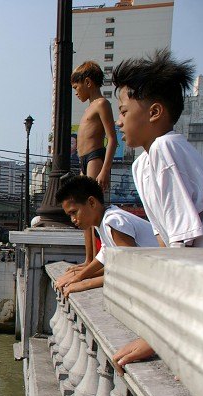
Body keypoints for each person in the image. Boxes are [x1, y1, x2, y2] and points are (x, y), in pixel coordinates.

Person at [109, 49, 203, 370]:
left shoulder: (166, 148)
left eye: (124, 110)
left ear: (154, 112)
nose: (119, 120)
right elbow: (163, 244)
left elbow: (184, 248)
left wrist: (160, 333)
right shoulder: (143, 163)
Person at [53, 176, 158, 296]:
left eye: (74, 212)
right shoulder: (102, 222)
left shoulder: (113, 220)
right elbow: (105, 254)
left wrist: (86, 283)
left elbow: (129, 266)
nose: (73, 219)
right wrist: (79, 276)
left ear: (92, 202)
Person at [70, 60, 119, 269]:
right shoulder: (90, 107)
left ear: (87, 82)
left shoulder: (101, 104)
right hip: (84, 161)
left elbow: (112, 138)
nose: (76, 92)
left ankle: (94, 259)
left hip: (95, 158)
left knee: (90, 211)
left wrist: (106, 168)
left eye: (76, 87)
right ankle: (89, 258)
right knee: (82, 211)